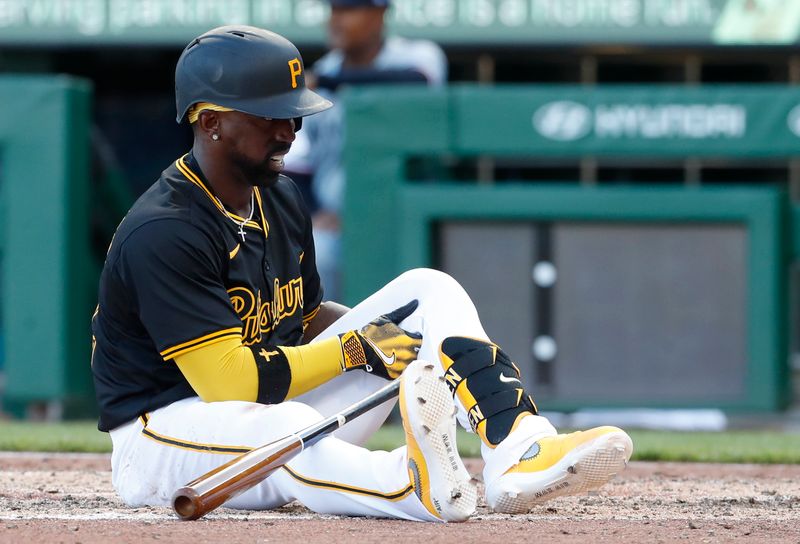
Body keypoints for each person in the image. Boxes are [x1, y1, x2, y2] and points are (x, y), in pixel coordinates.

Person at [91, 25, 633, 523]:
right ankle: (412, 484)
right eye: (271, 116)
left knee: (427, 291)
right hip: (163, 437)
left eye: (295, 114)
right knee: (288, 428)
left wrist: (398, 342)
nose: (289, 131)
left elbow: (305, 322)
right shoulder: (164, 230)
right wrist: (354, 349)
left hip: (260, 417)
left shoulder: (277, 196)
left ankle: (518, 449)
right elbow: (232, 383)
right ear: (210, 121)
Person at [284, 0, 447, 300]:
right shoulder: (325, 69)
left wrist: (327, 82)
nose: (337, 20)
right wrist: (314, 212)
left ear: (379, 14)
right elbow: (296, 161)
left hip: (403, 213)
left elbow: (418, 82)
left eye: (349, 10)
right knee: (310, 256)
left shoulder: (417, 56)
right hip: (336, 220)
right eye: (334, 10)